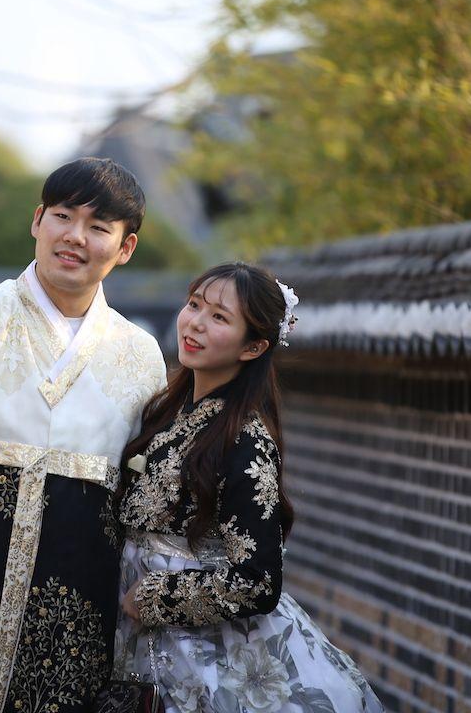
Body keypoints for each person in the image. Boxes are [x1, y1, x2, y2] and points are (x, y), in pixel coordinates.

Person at [0, 158, 168, 713]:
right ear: (37, 220)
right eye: (63, 216)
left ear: (126, 248)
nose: (75, 236)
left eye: (98, 226)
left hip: (72, 623)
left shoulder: (141, 356)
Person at [112, 262, 384, 713]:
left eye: (219, 317)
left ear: (254, 346)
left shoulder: (244, 441)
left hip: (210, 657)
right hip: (141, 642)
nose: (196, 323)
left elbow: (258, 580)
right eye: (194, 305)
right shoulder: (162, 412)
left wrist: (154, 597)